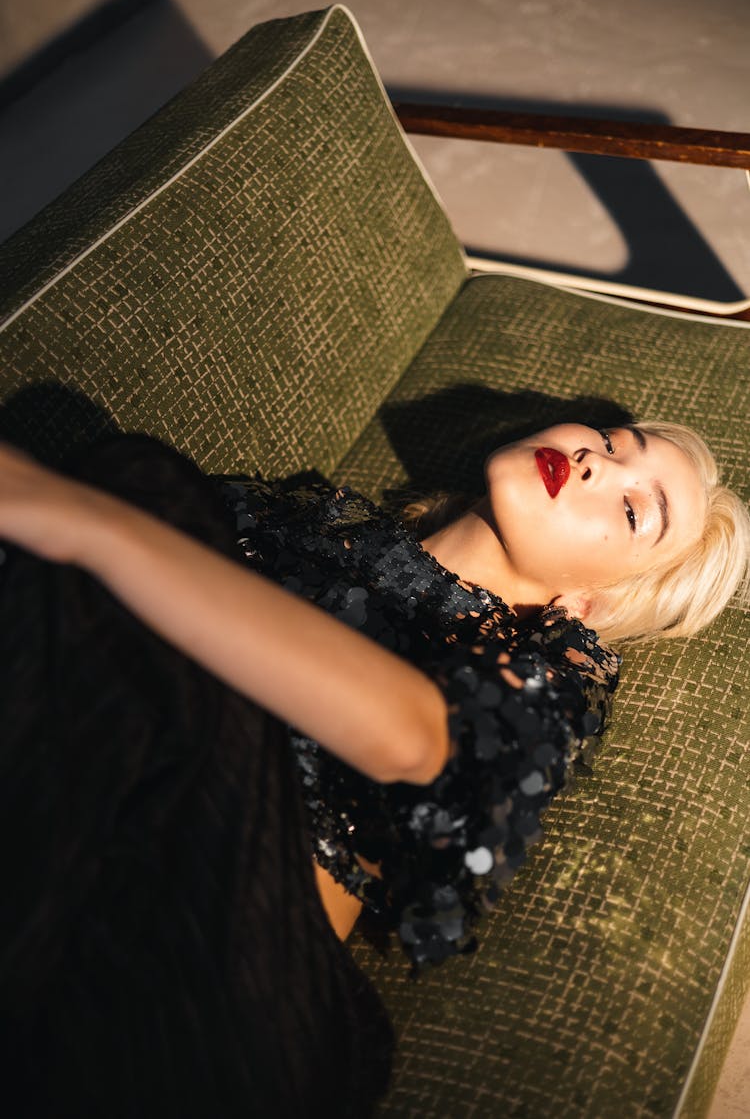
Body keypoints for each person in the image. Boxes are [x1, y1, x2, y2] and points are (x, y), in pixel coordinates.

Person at [0, 420, 747, 1117]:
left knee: (144, 490)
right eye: (617, 441)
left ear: (588, 601)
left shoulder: (542, 676)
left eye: (631, 511)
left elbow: (416, 739)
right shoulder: (298, 530)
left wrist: (98, 531)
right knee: (140, 485)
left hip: (230, 971)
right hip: (90, 821)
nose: (597, 462)